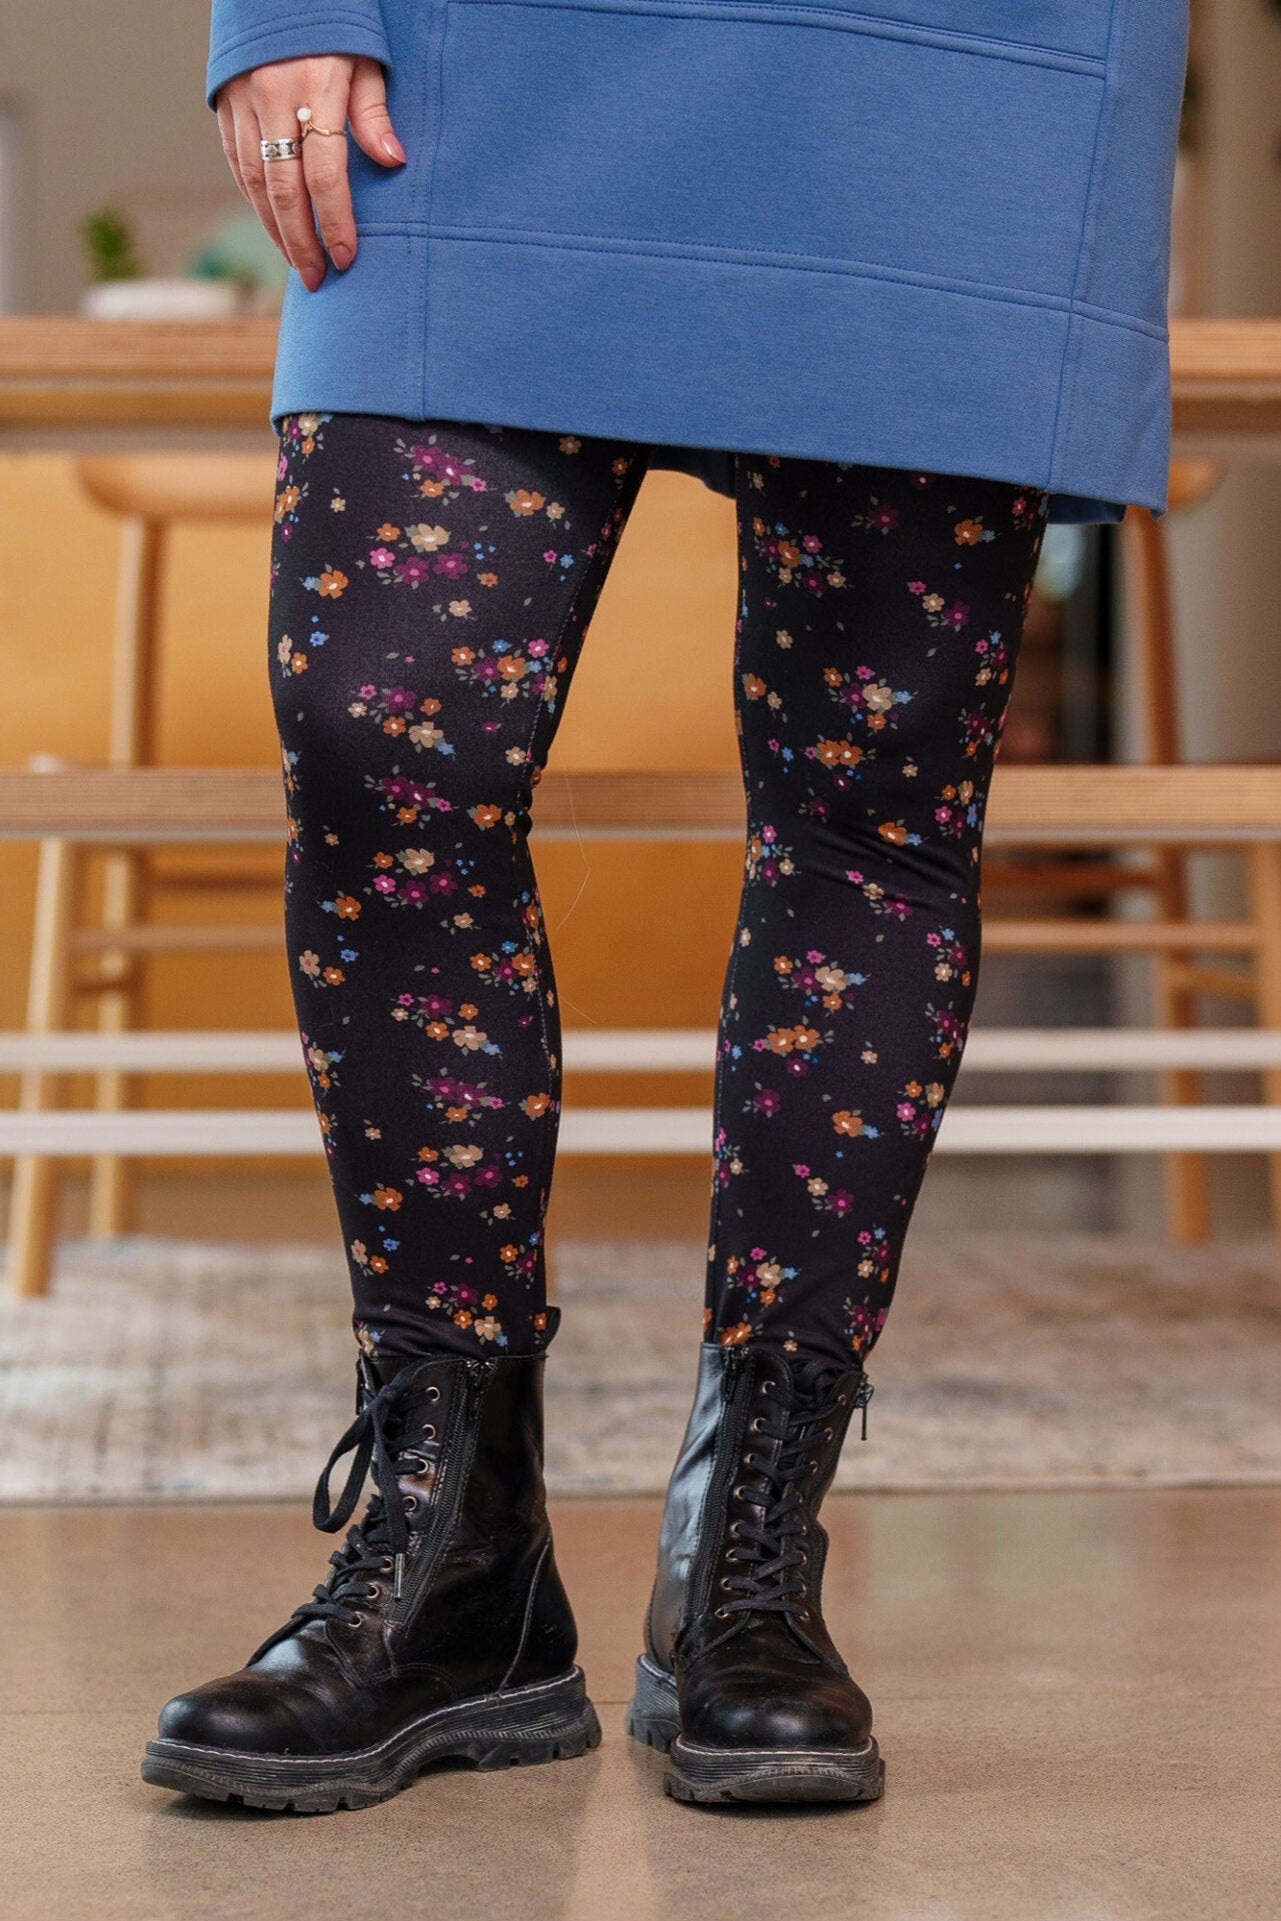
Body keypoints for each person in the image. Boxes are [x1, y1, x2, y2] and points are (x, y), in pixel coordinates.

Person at [142, 0, 1189, 1810]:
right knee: (378, 740)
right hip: (490, 60)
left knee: (871, 806)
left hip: (944, 81)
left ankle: (748, 1556)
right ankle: (451, 1555)